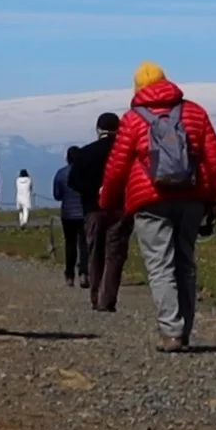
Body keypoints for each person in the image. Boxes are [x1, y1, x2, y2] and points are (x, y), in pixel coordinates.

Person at [100, 62, 216, 353]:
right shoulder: (194, 112)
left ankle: (171, 331)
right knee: (185, 262)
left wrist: (108, 201)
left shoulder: (132, 119)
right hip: (192, 195)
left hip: (149, 199)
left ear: (138, 88)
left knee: (160, 265)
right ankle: (185, 330)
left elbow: (117, 166)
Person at [70, 112, 125, 308]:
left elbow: (73, 181)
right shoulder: (124, 153)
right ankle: (107, 298)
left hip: (93, 208)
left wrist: (94, 191)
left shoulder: (85, 153)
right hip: (119, 208)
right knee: (114, 254)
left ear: (98, 129)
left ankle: (95, 295)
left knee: (95, 253)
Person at [52, 146, 88, 288]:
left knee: (70, 244)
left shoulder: (61, 173)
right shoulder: (85, 172)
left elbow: (57, 195)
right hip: (83, 212)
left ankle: (69, 275)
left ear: (67, 158)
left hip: (67, 213)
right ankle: (84, 273)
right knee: (84, 244)